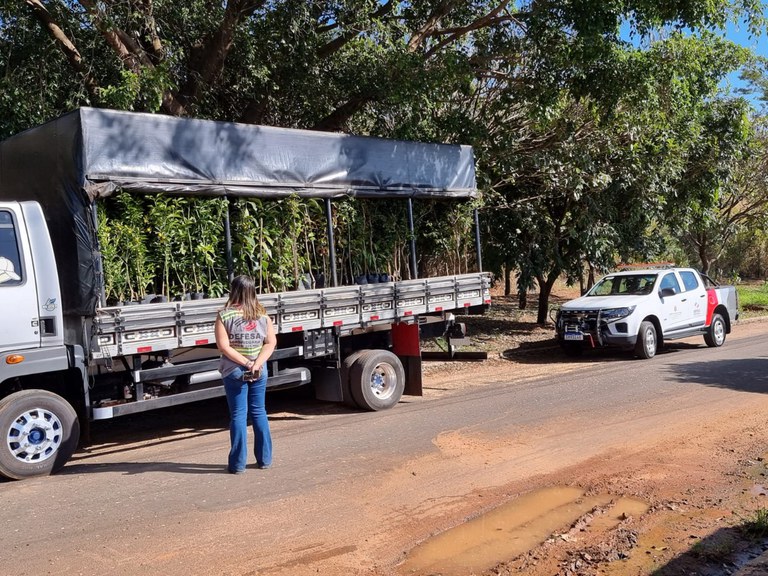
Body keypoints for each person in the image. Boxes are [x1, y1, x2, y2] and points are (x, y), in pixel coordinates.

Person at [215, 275, 276, 474]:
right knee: (259, 411)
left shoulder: (224, 315)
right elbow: (270, 343)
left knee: (238, 416)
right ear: (253, 291)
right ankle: (265, 460)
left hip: (234, 371)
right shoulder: (263, 315)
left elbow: (224, 347)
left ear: (233, 291)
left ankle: (238, 464)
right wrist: (257, 364)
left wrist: (246, 363)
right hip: (259, 370)